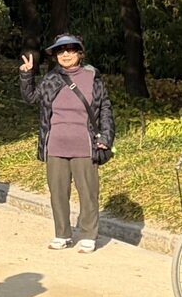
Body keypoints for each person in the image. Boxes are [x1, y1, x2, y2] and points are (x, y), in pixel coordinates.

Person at [19, 32, 114, 253]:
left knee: (88, 191)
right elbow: (31, 98)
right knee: (58, 192)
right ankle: (62, 233)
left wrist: (106, 138)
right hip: (55, 145)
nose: (66, 54)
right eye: (61, 51)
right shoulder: (52, 78)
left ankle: (89, 234)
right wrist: (26, 76)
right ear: (55, 56)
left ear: (80, 53)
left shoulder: (92, 77)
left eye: (70, 49)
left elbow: (106, 110)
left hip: (84, 144)